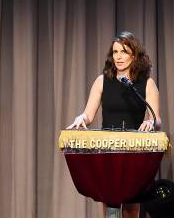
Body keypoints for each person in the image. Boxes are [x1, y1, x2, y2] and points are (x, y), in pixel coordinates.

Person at [66, 31, 161, 218]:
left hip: (135, 153)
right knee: (110, 206)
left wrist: (150, 122)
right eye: (115, 52)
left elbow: (156, 118)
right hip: (109, 151)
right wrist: (81, 118)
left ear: (134, 55)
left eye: (124, 52)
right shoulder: (102, 81)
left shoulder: (146, 83)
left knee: (131, 209)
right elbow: (88, 114)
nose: (118, 57)